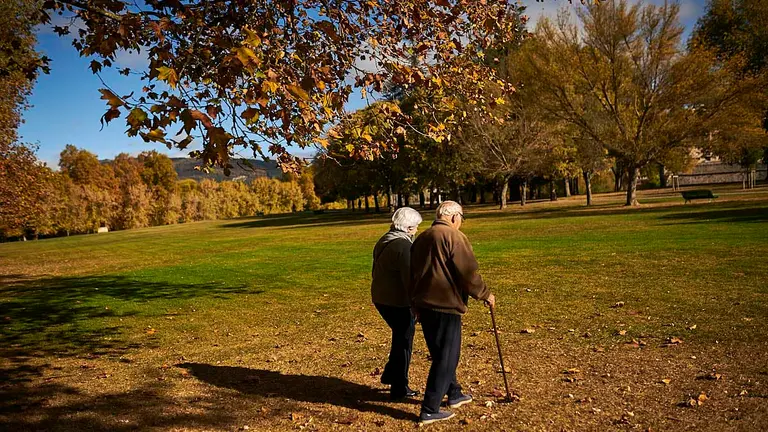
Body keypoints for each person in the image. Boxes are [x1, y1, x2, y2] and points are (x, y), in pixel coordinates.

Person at [409, 200, 496, 424]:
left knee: (441, 354)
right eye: (462, 218)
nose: (461, 223)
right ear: (455, 217)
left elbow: (412, 275)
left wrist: (414, 304)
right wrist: (485, 294)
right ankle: (430, 408)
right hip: (445, 305)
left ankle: (454, 393)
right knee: (447, 357)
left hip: (424, 304)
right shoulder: (454, 237)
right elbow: (468, 273)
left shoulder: (422, 237)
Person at [371, 207, 423, 400]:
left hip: (381, 297)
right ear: (408, 227)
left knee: (400, 335)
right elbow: (410, 279)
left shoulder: (385, 239)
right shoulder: (403, 246)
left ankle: (391, 375)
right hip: (396, 301)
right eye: (416, 227)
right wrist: (416, 303)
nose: (417, 230)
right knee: (404, 340)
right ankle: (399, 387)